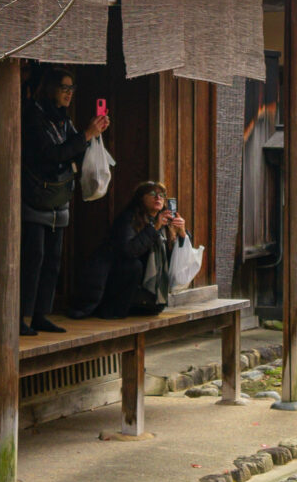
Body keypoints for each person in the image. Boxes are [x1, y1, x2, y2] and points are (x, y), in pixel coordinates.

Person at [22, 67, 107, 334]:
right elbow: (52, 154)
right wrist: (86, 136)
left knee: (53, 261)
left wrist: (90, 135)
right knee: (33, 259)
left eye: (72, 89)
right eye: (64, 88)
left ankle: (40, 314)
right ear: (50, 89)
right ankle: (19, 316)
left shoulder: (62, 119)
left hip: (59, 197)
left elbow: (71, 148)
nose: (69, 94)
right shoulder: (34, 115)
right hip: (36, 196)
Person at [72, 181, 190, 319]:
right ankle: (116, 309)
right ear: (141, 198)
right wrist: (154, 228)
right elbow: (129, 251)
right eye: (152, 194)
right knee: (133, 266)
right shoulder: (129, 218)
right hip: (116, 277)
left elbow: (175, 256)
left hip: (143, 288)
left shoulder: (166, 221)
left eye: (161, 195)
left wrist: (182, 234)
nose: (158, 198)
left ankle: (149, 303)